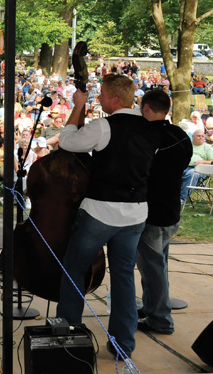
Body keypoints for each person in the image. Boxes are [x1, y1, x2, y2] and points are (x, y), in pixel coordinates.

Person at [56, 74, 160, 358]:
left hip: (101, 211)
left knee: (74, 268)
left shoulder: (104, 126)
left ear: (115, 98)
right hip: (136, 213)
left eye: (101, 94)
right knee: (124, 275)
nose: (98, 98)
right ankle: (123, 345)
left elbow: (67, 142)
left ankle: (69, 336)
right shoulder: (152, 128)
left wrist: (77, 107)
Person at [136, 89, 192, 335]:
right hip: (171, 211)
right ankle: (153, 307)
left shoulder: (148, 136)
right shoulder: (180, 135)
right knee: (158, 265)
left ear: (146, 108)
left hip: (152, 212)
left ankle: (160, 319)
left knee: (153, 269)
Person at [179, 128, 213, 203]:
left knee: (191, 173)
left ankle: (182, 199)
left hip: (200, 170)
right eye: (198, 136)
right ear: (193, 137)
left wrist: (203, 162)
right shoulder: (187, 145)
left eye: (202, 136)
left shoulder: (207, 147)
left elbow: (212, 161)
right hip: (182, 167)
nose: (201, 137)